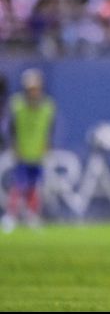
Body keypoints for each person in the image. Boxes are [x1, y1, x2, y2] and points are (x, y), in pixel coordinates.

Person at [1, 69, 55, 233]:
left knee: (34, 186)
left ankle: (32, 215)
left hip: (37, 152)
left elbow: (49, 129)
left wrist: (46, 146)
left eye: (36, 88)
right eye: (31, 88)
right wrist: (14, 146)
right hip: (22, 152)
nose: (34, 92)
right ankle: (11, 216)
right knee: (18, 185)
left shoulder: (47, 106)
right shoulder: (17, 104)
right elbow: (11, 128)